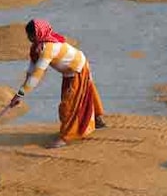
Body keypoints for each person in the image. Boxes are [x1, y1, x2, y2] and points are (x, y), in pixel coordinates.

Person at [9, 19, 106, 149]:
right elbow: (31, 72)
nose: (29, 38)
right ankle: (97, 120)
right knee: (80, 96)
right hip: (69, 72)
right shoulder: (36, 48)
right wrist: (20, 94)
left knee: (69, 105)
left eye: (31, 35)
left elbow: (38, 74)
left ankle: (67, 137)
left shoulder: (48, 49)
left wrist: (20, 94)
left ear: (39, 34)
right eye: (28, 35)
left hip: (77, 70)